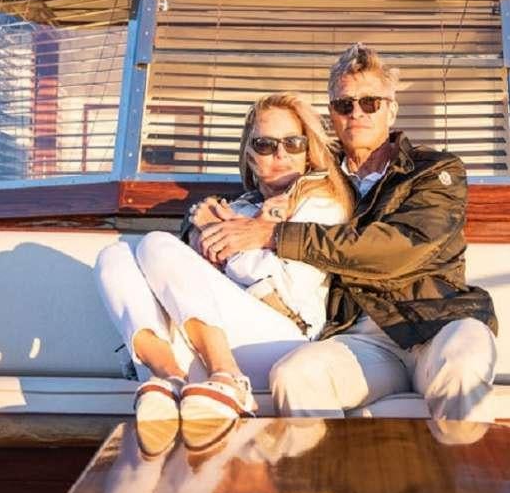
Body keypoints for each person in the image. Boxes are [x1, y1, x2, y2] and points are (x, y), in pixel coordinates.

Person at [197, 44, 499, 421]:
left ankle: (466, 476)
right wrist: (204, 222)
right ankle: (318, 479)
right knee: (295, 374)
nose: (356, 112)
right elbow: (250, 200)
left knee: (464, 362)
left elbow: (399, 248)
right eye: (344, 104)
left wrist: (276, 235)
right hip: (360, 341)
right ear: (332, 114)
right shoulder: (316, 177)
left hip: (435, 322)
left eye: (370, 102)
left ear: (391, 109)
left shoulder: (433, 170)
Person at [93, 93, 352, 424]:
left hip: (284, 339)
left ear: (308, 150)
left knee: (157, 244)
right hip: (219, 332)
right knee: (115, 255)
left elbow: (285, 291)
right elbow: (186, 280)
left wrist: (223, 240)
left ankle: (228, 376)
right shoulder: (240, 208)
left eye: (293, 142)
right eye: (265, 144)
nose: (281, 153)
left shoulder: (322, 203)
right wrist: (221, 236)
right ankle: (169, 378)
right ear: (249, 153)